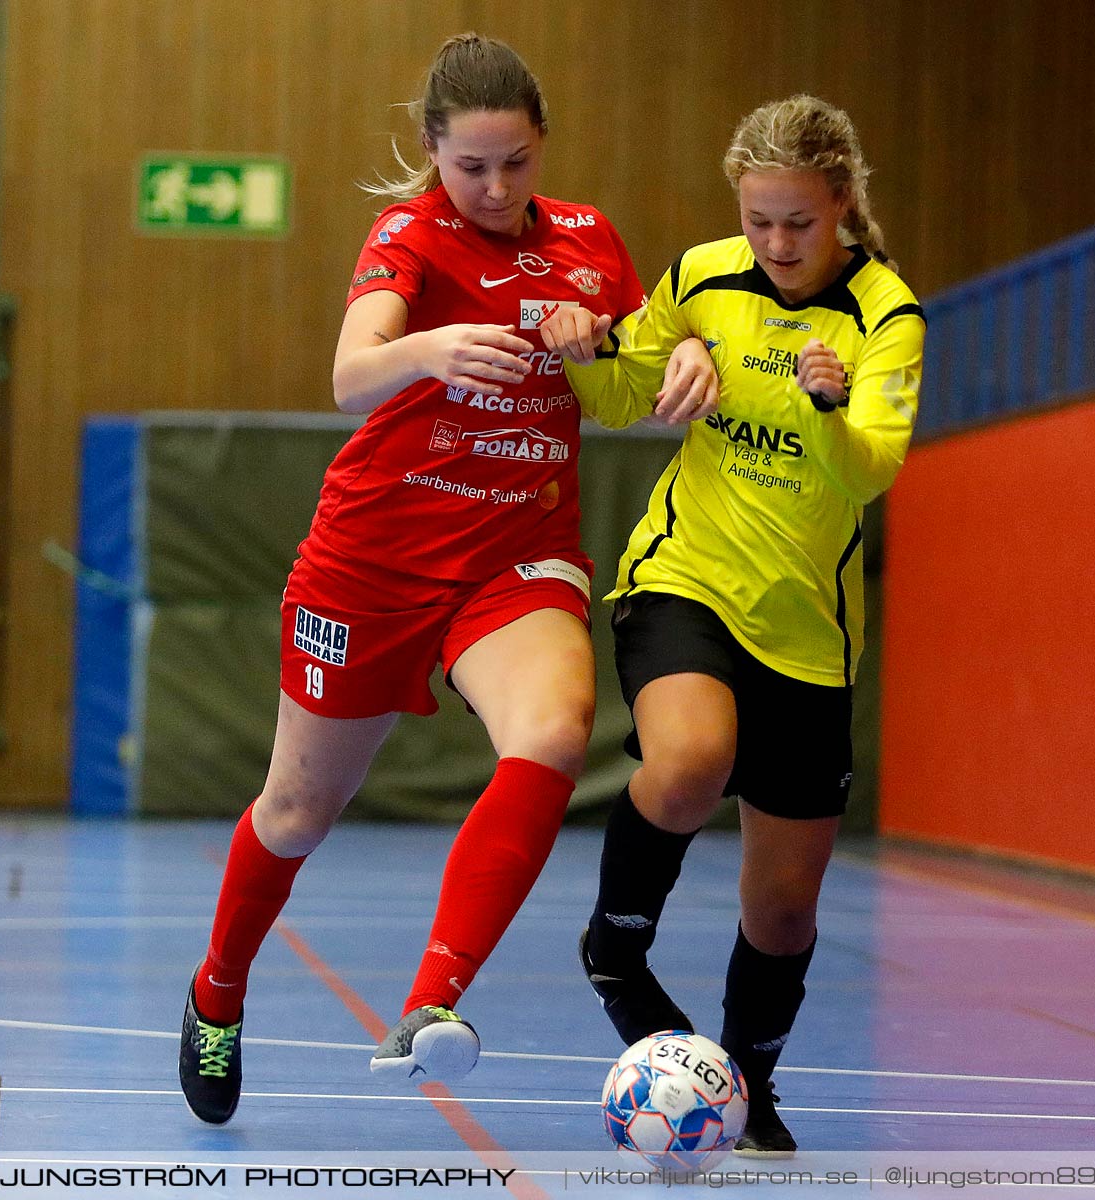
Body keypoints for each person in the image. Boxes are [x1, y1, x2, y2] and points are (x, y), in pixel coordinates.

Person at [177, 33, 718, 1126]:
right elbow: (347, 373)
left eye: (514, 162)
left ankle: (431, 1003)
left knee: (556, 732)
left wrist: (674, 352)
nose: (493, 186)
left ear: (539, 145)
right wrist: (428, 351)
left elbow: (635, 345)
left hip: (512, 555)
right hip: (372, 562)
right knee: (293, 811)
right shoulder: (407, 237)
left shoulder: (584, 240)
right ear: (432, 151)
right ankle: (216, 989)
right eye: (469, 165)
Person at [540, 93, 924, 1156]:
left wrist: (827, 404)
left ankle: (746, 1084)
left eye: (796, 222)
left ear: (840, 205)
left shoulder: (884, 317)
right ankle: (615, 951)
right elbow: (619, 398)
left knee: (784, 912)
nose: (774, 243)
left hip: (807, 634)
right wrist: (588, 345)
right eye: (758, 219)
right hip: (685, 578)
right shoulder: (703, 277)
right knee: (689, 760)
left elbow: (867, 472)